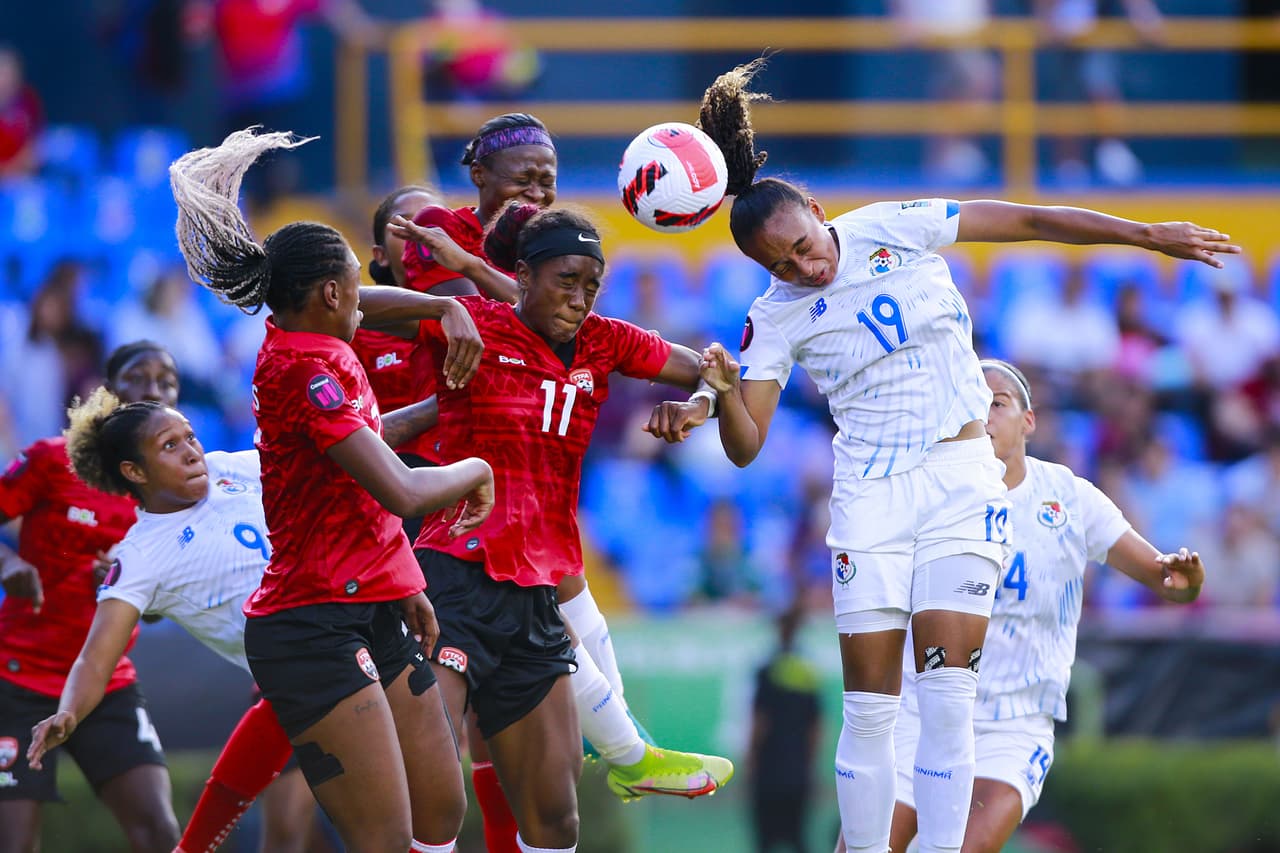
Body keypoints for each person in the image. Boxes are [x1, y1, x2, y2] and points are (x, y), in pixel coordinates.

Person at [647, 58, 1239, 853]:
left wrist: (1144, 234)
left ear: (818, 212)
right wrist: (721, 391)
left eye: (801, 246)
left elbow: (1027, 221)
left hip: (961, 480)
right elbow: (746, 449)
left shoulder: (892, 224)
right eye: (779, 266)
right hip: (870, 495)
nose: (802, 268)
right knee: (873, 710)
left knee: (950, 693)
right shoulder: (773, 318)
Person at [358, 201, 735, 853]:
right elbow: (347, 306)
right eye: (567, 280)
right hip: (454, 580)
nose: (581, 296)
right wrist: (442, 305)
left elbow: (717, 374)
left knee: (556, 817)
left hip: (538, 597)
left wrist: (699, 403)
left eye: (592, 283)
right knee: (436, 800)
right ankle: (635, 754)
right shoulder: (475, 324)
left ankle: (634, 757)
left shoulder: (606, 340)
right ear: (524, 277)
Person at [167, 127, 494, 853]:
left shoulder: (315, 339)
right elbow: (404, 492)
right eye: (353, 291)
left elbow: (374, 448)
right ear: (327, 294)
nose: (367, 304)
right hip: (312, 626)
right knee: (381, 838)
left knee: (441, 810)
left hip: (371, 604)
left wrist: (443, 312)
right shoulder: (304, 373)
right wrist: (479, 469)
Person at [27, 386, 444, 852]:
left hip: (357, 632)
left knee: (438, 815)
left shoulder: (231, 467)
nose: (191, 452)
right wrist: (69, 711)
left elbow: (352, 442)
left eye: (189, 437)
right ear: (134, 471)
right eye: (170, 446)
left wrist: (438, 407)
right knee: (369, 833)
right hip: (309, 672)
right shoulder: (141, 555)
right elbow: (94, 657)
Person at [887, 359, 1205, 853]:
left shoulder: (1068, 498)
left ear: (1027, 421)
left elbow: (1166, 579)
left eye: (998, 403)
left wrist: (1182, 581)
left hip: (1014, 723)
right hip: (921, 712)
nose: (985, 414)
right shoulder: (926, 493)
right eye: (973, 404)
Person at [0, 341, 180, 853]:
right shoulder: (50, 460)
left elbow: (166, 610)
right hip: (19, 677)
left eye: (166, 381)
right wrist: (9, 563)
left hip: (105, 682)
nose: (152, 389)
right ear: (108, 389)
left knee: (161, 834)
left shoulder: (172, 492)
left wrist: (138, 588)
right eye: (138, 377)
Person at [747, 605, 822, 853]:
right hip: (798, 768)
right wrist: (811, 765)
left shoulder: (767, 669)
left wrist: (751, 760)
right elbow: (816, 726)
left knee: (765, 841)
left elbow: (760, 721)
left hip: (769, 768)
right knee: (799, 838)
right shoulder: (807, 672)